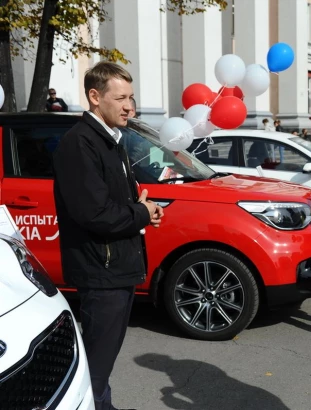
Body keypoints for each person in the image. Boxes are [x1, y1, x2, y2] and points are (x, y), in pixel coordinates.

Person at [52, 61, 163, 410]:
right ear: (95, 97)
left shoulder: (111, 140)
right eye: (121, 98)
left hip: (117, 267)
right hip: (101, 271)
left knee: (102, 359)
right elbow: (95, 214)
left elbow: (112, 202)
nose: (130, 106)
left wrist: (140, 208)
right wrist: (140, 213)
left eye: (132, 97)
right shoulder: (80, 143)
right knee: (95, 365)